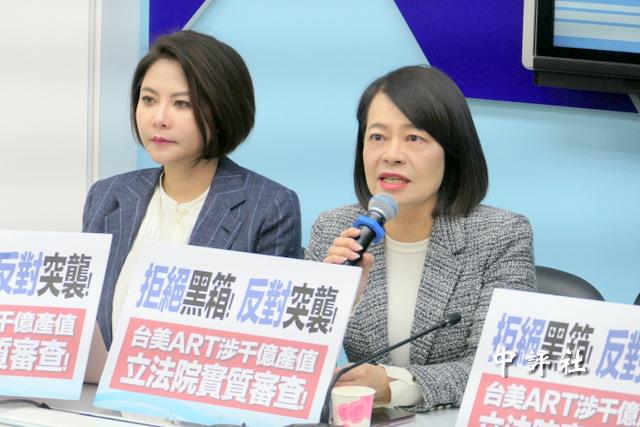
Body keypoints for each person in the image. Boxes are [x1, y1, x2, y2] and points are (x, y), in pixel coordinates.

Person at [305, 66, 536, 411]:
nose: (392, 155)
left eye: (414, 138)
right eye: (377, 137)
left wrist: (396, 386)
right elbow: (294, 357)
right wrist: (337, 300)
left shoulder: (501, 235)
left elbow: (501, 365)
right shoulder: (335, 229)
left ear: (452, 151)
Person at [83, 30, 302, 350]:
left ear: (222, 112)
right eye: (148, 99)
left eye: (182, 103)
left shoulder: (268, 207)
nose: (159, 119)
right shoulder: (108, 196)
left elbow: (271, 341)